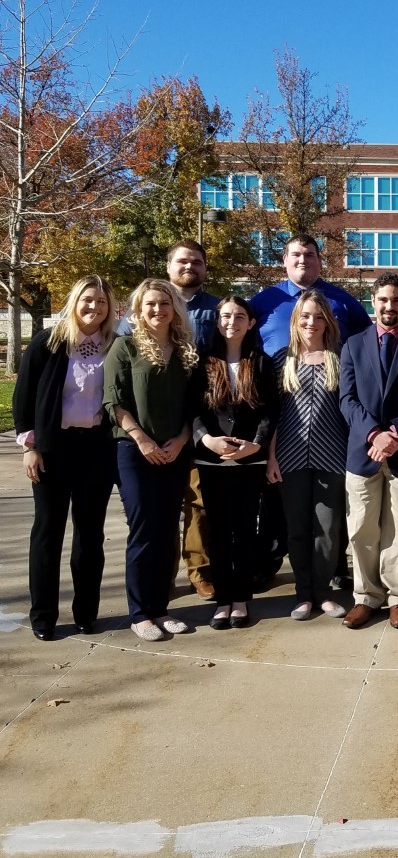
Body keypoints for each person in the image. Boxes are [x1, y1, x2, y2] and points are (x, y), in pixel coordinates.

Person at [250, 233, 371, 587]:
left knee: (328, 515)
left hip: (331, 419)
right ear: (285, 260)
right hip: (282, 411)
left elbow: (365, 347)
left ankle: (330, 573)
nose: (303, 260)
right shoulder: (264, 301)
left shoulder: (343, 302)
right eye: (296, 255)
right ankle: (276, 565)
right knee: (281, 510)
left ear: (321, 261)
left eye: (311, 255)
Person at [13, 276, 119, 640]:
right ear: (75, 301)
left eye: (102, 302)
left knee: (90, 536)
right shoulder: (49, 342)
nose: (94, 307)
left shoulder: (114, 346)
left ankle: (86, 613)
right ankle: (43, 615)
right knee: (47, 534)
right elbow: (23, 398)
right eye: (88, 300)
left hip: (96, 451)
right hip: (53, 451)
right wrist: (30, 447)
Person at [120, 239, 220, 600]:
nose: (189, 266)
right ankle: (161, 575)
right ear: (168, 266)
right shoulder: (140, 312)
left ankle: (199, 570)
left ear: (205, 268)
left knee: (197, 501)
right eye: (182, 261)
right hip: (147, 427)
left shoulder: (216, 308)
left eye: (196, 261)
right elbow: (119, 369)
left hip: (196, 419)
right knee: (154, 510)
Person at [103, 279, 200, 641]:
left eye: (163, 303)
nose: (158, 310)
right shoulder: (123, 347)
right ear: (138, 311)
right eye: (150, 305)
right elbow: (114, 402)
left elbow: (195, 407)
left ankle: (161, 608)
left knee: (166, 531)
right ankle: (140, 613)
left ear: (174, 307)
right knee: (144, 529)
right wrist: (142, 439)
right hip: (134, 450)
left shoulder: (186, 351)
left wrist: (180, 441)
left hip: (175, 450)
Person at [339, 273, 398, 630]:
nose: (389, 306)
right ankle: (366, 597)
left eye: (396, 300)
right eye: (383, 300)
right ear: (373, 301)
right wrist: (374, 434)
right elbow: (346, 400)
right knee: (361, 529)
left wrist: (395, 433)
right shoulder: (352, 344)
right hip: (363, 453)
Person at [267, 289, 350, 621]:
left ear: (327, 321)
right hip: (289, 458)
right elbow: (272, 417)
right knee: (297, 529)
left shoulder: (340, 358)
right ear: (295, 321)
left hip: (333, 457)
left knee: (328, 531)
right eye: (305, 316)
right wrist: (271, 458)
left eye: (318, 316)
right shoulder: (280, 361)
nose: (311, 322)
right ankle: (303, 594)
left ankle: (323, 592)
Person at [194, 297, 276, 630]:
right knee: (217, 531)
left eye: (239, 316)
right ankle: (223, 600)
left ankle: (241, 599)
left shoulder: (260, 362)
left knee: (244, 531)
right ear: (217, 321)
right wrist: (206, 439)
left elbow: (271, 410)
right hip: (211, 460)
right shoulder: (202, 362)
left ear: (251, 323)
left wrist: (255, 445)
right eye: (226, 315)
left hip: (248, 461)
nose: (232, 321)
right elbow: (193, 409)